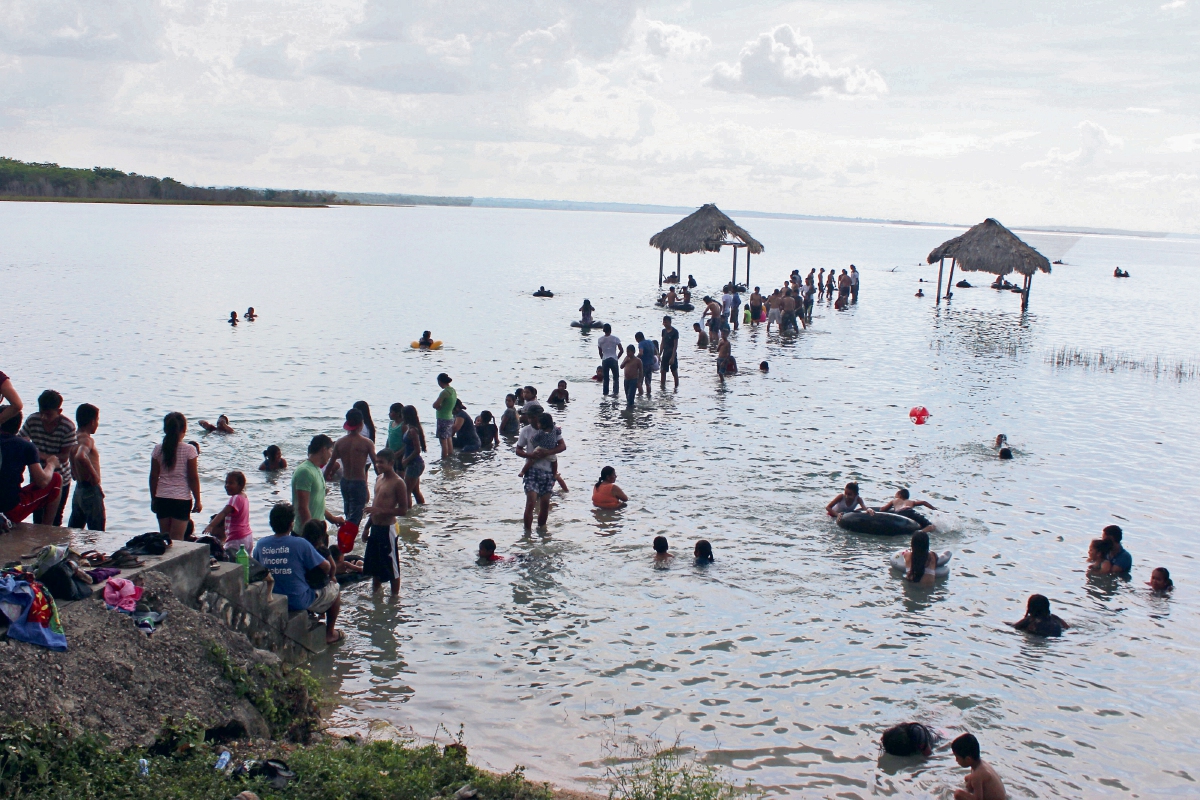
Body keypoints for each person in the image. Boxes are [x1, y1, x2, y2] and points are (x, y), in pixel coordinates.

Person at [254, 503, 342, 645]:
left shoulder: (261, 544)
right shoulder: (300, 543)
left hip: (271, 596)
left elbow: (257, 569)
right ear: (291, 524)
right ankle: (330, 633)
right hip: (297, 600)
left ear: (271, 523)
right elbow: (326, 567)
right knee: (335, 589)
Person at [20, 390, 77, 526]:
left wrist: (35, 453)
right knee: (37, 514)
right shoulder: (33, 420)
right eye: (42, 413)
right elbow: (22, 439)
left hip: (61, 476)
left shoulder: (67, 427)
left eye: (49, 415)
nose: (44, 418)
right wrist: (44, 457)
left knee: (56, 516)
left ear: (59, 410)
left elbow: (63, 457)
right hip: (38, 473)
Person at [0, 412, 62, 524]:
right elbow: (42, 482)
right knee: (56, 479)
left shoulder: (21, 444)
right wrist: (51, 464)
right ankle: (47, 528)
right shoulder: (25, 446)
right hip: (10, 508)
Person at [362, 449, 409, 595]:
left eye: (381, 462)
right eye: (376, 462)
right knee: (375, 565)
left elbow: (403, 510)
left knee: (392, 567)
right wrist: (366, 527)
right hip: (375, 527)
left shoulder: (398, 483)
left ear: (391, 463)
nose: (377, 465)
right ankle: (376, 596)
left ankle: (394, 599)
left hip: (388, 528)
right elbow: (375, 507)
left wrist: (381, 511)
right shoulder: (379, 479)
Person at [150, 412, 200, 540]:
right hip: (181, 499)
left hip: (162, 497)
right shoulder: (189, 450)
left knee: (164, 538)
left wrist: (153, 499)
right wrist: (198, 500)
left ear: (165, 429)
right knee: (177, 539)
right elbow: (193, 477)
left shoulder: (158, 449)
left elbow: (153, 477)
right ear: (184, 429)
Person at [326, 408, 377, 528]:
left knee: (348, 511)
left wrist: (322, 481)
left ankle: (344, 534)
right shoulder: (367, 443)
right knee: (357, 514)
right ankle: (348, 538)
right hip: (359, 482)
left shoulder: (340, 442)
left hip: (345, 482)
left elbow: (330, 464)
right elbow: (376, 464)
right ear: (361, 424)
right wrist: (384, 478)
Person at [516, 411, 566, 529]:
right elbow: (518, 450)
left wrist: (548, 452)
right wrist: (530, 456)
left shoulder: (553, 429)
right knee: (531, 502)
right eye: (529, 418)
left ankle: (541, 529)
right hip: (532, 470)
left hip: (547, 471)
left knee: (545, 504)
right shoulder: (526, 431)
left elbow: (563, 446)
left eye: (533, 417)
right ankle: (527, 534)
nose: (530, 420)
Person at [293, 434, 345, 533]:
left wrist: (333, 519)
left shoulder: (317, 469)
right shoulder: (305, 471)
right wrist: (311, 534)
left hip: (318, 530)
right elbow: (303, 507)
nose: (331, 455)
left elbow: (317, 503)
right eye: (330, 451)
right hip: (306, 533)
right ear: (323, 450)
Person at [68, 403, 104, 531]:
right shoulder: (87, 439)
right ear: (92, 421)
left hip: (79, 490)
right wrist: (95, 477)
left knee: (73, 529)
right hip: (90, 490)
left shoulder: (73, 438)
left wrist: (74, 472)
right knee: (97, 532)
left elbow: (72, 456)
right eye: (97, 420)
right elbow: (81, 456)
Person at [203, 471, 252, 559]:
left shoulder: (235, 498)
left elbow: (223, 513)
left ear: (240, 485)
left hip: (236, 538)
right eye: (226, 482)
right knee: (246, 562)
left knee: (231, 561)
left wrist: (211, 526)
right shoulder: (244, 497)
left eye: (231, 483)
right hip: (247, 536)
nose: (227, 485)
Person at [951, 734, 1004, 800]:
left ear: (968, 759)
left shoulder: (977, 775)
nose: (956, 760)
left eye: (957, 758)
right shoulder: (980, 764)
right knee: (967, 778)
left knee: (958, 794)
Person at [399, 406, 427, 505]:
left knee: (406, 491)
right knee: (415, 491)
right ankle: (421, 507)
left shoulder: (412, 431)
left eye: (402, 414)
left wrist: (406, 460)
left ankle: (407, 514)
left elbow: (417, 450)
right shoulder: (410, 428)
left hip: (414, 464)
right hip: (414, 463)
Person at [432, 373, 458, 458]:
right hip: (450, 417)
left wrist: (439, 407)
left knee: (443, 442)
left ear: (440, 381)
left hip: (442, 418)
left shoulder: (444, 392)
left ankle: (444, 460)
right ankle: (450, 457)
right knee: (449, 438)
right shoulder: (453, 391)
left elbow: (435, 405)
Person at [597, 325, 622, 396]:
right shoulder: (615, 339)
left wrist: (603, 357)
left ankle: (605, 394)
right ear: (610, 330)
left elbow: (600, 352)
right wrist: (617, 357)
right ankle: (615, 393)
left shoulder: (600, 340)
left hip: (605, 359)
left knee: (606, 379)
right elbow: (621, 350)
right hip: (613, 359)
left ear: (603, 330)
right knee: (616, 378)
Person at [659, 316, 680, 389]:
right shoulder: (663, 331)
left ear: (670, 322)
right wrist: (659, 354)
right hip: (665, 354)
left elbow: (675, 345)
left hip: (672, 354)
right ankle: (662, 388)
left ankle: (676, 387)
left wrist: (673, 357)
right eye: (664, 322)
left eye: (666, 322)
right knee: (663, 372)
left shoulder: (675, 332)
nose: (665, 324)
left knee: (674, 372)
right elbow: (662, 343)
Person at [634, 332, 656, 398]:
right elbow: (655, 351)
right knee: (648, 383)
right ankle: (648, 396)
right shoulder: (650, 342)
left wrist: (635, 359)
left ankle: (640, 396)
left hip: (643, 365)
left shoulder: (641, 343)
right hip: (650, 364)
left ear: (638, 338)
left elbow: (641, 353)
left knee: (639, 382)